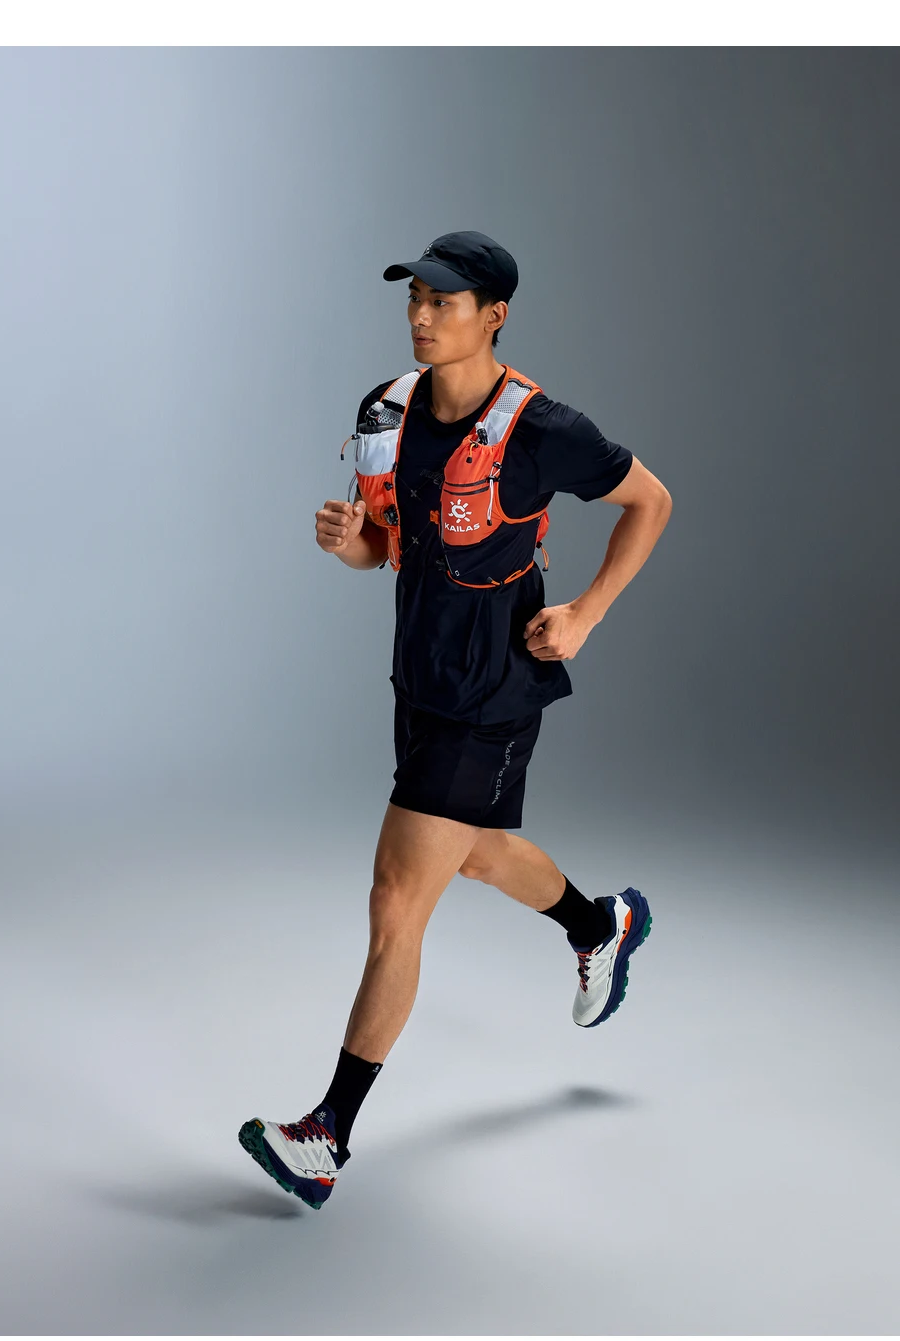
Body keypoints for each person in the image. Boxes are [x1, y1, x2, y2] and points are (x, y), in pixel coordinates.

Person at [239, 231, 672, 1210]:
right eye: (416, 299)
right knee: (472, 854)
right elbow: (382, 547)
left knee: (397, 898)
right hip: (420, 676)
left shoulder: (541, 428)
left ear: (494, 315)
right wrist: (350, 540)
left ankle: (326, 1136)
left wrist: (587, 612)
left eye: (444, 301)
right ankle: (600, 924)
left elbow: (650, 501)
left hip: (493, 688)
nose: (422, 316)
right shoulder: (386, 409)